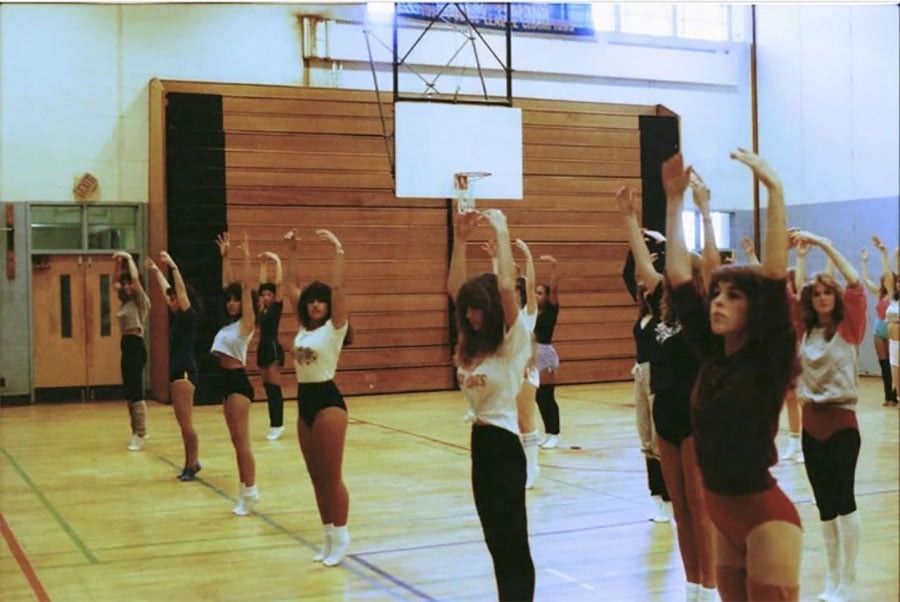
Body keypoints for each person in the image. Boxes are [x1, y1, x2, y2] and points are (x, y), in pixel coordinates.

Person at [664, 149, 802, 601]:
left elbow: (777, 275)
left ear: (754, 308)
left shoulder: (768, 361)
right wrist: (673, 201)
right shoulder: (712, 354)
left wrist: (775, 191)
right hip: (721, 510)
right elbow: (680, 279)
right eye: (716, 294)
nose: (718, 301)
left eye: (733, 296)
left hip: (764, 514)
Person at [618, 180, 717, 602]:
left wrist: (705, 211)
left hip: (698, 419)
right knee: (680, 509)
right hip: (667, 417)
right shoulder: (660, 305)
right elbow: (642, 265)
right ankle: (692, 585)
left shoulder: (703, 314)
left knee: (699, 507)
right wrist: (628, 217)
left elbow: (711, 264)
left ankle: (710, 588)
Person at [448, 207, 535, 602]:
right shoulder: (472, 348)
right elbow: (454, 292)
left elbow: (505, 285)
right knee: (494, 540)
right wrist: (461, 239)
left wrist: (501, 231)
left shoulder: (510, 345)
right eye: (468, 309)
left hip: (503, 448)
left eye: (477, 307)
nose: (470, 314)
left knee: (513, 540)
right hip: (480, 447)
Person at [793, 229, 868, 602]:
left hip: (841, 423)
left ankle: (849, 581)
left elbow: (854, 282)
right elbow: (792, 298)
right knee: (823, 507)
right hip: (812, 425)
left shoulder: (849, 326)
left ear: (834, 298)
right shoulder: (805, 332)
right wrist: (802, 258)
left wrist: (824, 244)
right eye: (816, 293)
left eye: (827, 292)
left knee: (843, 501)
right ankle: (832, 579)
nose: (822, 298)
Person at [284, 228, 352, 567]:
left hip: (327, 402)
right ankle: (327, 537)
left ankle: (341, 535)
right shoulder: (304, 329)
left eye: (319, 300)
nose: (314, 304)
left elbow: (338, 289)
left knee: (331, 475)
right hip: (304, 403)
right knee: (315, 476)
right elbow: (290, 288)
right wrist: (292, 252)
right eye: (311, 300)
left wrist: (337, 250)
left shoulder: (334, 328)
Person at [616, 187, 672, 523]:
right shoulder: (643, 311)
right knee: (645, 437)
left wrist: (658, 243)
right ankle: (656, 496)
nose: (642, 280)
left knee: (660, 436)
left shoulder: (669, 309)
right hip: (641, 372)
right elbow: (629, 274)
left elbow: (663, 273)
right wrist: (632, 245)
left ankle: (668, 495)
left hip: (662, 374)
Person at [743, 235, 806, 462]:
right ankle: (786, 441)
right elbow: (765, 277)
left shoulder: (798, 301)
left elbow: (792, 281)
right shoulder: (774, 302)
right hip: (777, 353)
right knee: (779, 399)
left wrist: (797, 256)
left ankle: (799, 442)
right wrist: (751, 256)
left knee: (797, 400)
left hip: (798, 352)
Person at [212, 232, 258, 515]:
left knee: (243, 441)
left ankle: (250, 491)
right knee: (234, 440)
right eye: (228, 300)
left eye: (235, 300)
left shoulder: (245, 325)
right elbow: (226, 286)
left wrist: (246, 258)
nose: (231, 303)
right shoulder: (228, 326)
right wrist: (225, 257)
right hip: (225, 383)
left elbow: (246, 288)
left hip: (239, 383)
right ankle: (244, 490)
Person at [146, 251, 202, 480]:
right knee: (182, 423)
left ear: (183, 298)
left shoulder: (188, 316)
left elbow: (178, 290)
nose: (170, 301)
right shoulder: (179, 317)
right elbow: (168, 291)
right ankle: (192, 462)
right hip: (177, 371)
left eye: (174, 298)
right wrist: (157, 272)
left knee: (187, 424)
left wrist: (172, 264)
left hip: (185, 372)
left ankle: (191, 465)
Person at [113, 251, 151, 452]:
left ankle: (141, 432)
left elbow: (135, 279)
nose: (127, 286)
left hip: (136, 345)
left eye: (130, 284)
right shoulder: (124, 302)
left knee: (135, 390)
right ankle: (135, 430)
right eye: (125, 283)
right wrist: (117, 265)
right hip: (126, 345)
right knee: (129, 391)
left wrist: (128, 258)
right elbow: (115, 283)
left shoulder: (140, 301)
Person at [859, 235, 897, 406]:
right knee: (884, 364)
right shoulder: (880, 293)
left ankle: (895, 394)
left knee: (893, 363)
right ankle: (889, 396)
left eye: (887, 279)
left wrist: (884, 253)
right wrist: (865, 262)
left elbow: (889, 273)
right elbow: (866, 280)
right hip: (879, 329)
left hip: (893, 330)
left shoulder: (892, 295)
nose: (884, 281)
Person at [257, 250, 288, 439]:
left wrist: (276, 261)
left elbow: (279, 284)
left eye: (269, 294)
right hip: (262, 347)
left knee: (275, 388)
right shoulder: (262, 309)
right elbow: (261, 285)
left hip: (273, 348)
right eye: (264, 295)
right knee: (268, 388)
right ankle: (273, 424)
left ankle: (278, 424)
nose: (266, 296)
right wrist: (262, 264)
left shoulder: (276, 306)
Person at [534, 254, 562, 450]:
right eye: (535, 293)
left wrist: (554, 267)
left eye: (540, 293)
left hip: (545, 354)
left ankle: (555, 433)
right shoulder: (532, 312)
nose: (537, 296)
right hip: (532, 354)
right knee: (537, 397)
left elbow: (555, 287)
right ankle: (547, 432)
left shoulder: (551, 309)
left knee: (546, 396)